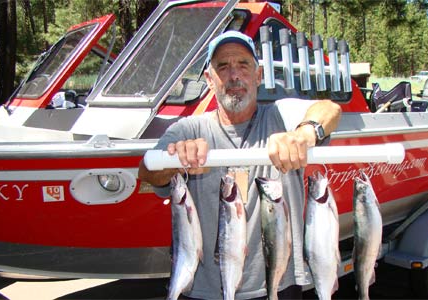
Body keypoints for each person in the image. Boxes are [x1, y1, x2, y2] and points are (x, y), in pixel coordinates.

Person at [138, 31, 341, 299]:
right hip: (205, 291)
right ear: (210, 81)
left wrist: (303, 134)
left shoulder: (282, 115)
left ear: (258, 76)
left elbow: (329, 109)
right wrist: (175, 161)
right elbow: (146, 171)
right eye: (223, 67)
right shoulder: (188, 128)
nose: (234, 75)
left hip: (279, 287)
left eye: (243, 65)